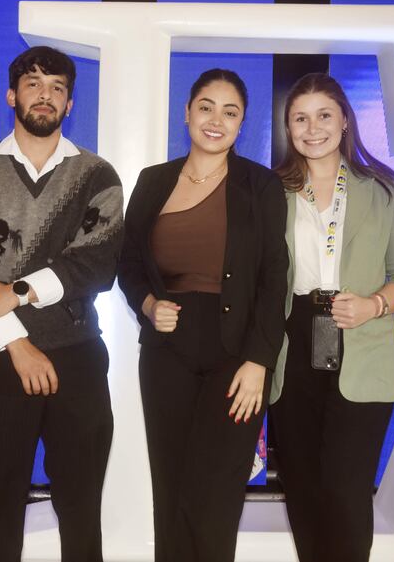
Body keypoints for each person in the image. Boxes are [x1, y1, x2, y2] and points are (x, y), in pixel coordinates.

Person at [0, 45, 123, 562]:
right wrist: (18, 343)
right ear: (11, 95)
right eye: (33, 83)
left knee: (82, 504)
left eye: (57, 88)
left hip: (78, 354)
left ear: (69, 105)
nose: (45, 95)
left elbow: (96, 265)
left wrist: (17, 290)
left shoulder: (97, 176)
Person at [117, 68, 288, 562]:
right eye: (206, 107)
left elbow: (275, 275)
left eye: (230, 112)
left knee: (214, 492)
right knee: (170, 486)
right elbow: (128, 261)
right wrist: (148, 305)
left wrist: (260, 360)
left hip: (235, 356)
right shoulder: (152, 182)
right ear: (188, 112)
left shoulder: (260, 185)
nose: (216, 120)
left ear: (242, 124)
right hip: (167, 351)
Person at [270, 72, 394, 562]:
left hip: (362, 345)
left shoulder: (383, 191)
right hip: (292, 347)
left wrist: (374, 304)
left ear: (344, 120)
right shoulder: (269, 192)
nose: (312, 128)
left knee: (345, 489)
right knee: (302, 489)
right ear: (288, 126)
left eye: (323, 115)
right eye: (300, 118)